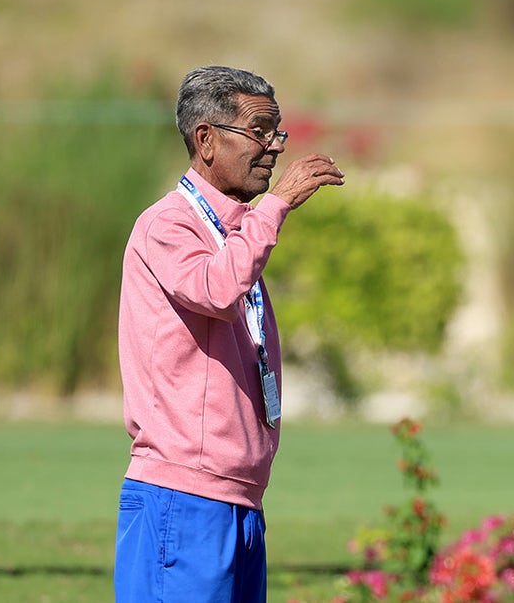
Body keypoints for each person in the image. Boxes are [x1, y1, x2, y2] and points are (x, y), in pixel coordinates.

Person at [114, 65, 345, 602]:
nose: (273, 148)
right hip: (182, 494)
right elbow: (215, 289)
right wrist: (277, 206)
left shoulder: (234, 228)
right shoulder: (167, 225)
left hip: (239, 499)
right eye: (259, 132)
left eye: (277, 133)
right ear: (206, 139)